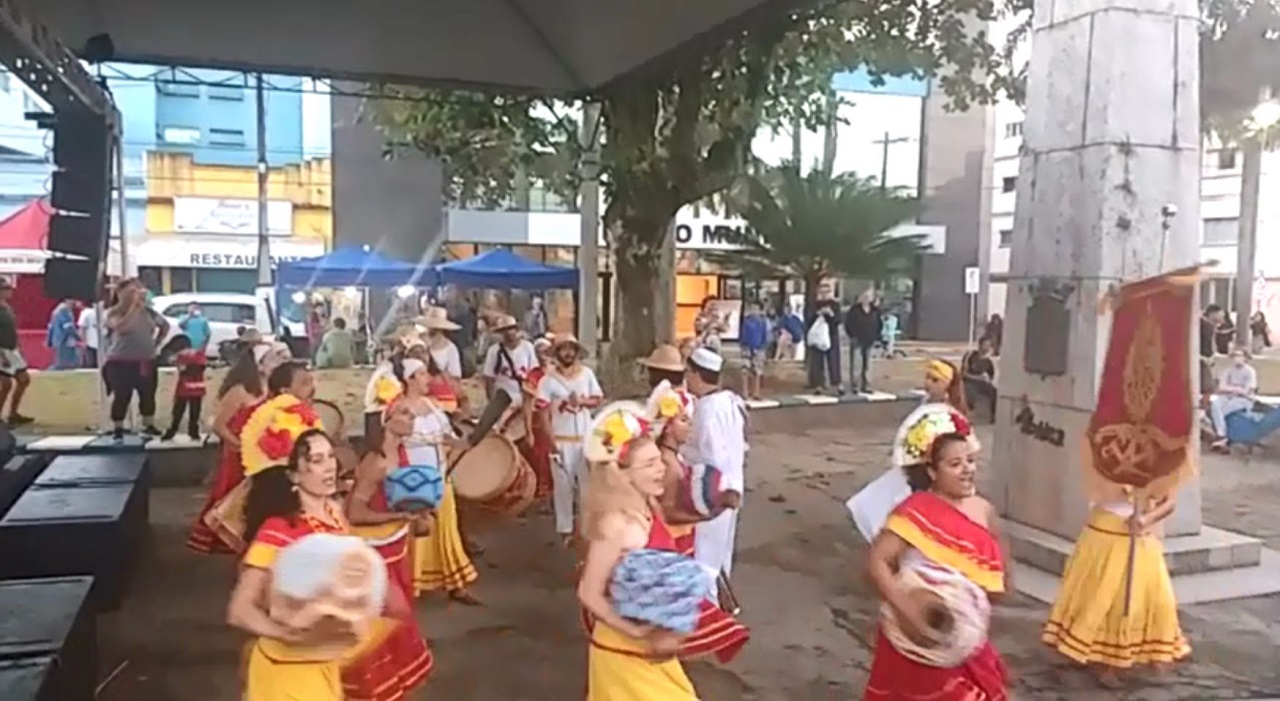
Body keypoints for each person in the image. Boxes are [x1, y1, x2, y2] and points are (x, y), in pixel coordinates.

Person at [864, 418, 1010, 700]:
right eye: (954, 464)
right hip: (916, 636)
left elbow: (1001, 580)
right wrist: (908, 610)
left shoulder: (985, 511)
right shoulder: (915, 510)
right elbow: (877, 561)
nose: (967, 469)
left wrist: (971, 608)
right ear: (932, 471)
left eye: (970, 460)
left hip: (966, 637)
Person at [229, 424, 371, 701]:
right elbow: (240, 610)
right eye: (316, 461)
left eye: (330, 456)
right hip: (285, 670)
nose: (329, 467)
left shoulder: (335, 514)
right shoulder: (279, 530)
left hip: (324, 663)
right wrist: (288, 635)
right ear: (294, 474)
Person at [577, 408, 698, 700]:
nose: (662, 470)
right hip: (623, 651)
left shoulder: (648, 508)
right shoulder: (615, 522)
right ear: (623, 475)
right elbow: (588, 592)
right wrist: (637, 633)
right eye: (649, 465)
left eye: (659, 460)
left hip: (653, 649)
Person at [646, 381, 749, 663]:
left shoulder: (672, 458)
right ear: (667, 426)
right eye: (682, 420)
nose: (689, 426)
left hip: (681, 541)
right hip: (672, 544)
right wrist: (710, 513)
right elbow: (666, 514)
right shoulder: (666, 464)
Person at [1043, 492, 1188, 687]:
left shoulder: (1159, 466)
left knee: (1157, 599)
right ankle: (1102, 658)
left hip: (1142, 537)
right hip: (1104, 536)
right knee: (1103, 598)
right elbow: (1098, 491)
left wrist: (1147, 518)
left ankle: (1151, 651)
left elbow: (1169, 502)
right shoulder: (1105, 466)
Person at [345, 398, 435, 701]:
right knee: (389, 619)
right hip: (374, 552)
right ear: (386, 420)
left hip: (395, 546)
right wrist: (398, 516)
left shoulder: (401, 454)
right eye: (404, 414)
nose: (412, 420)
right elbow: (354, 513)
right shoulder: (378, 462)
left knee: (396, 619)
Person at [186, 343, 285, 553]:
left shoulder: (274, 392)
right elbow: (219, 425)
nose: (278, 363)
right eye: (273, 359)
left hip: (261, 453)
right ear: (259, 365)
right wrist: (238, 445)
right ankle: (221, 537)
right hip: (236, 452)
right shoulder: (239, 391)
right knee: (228, 494)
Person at [398, 357, 479, 604]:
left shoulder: (432, 405)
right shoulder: (399, 409)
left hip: (439, 476)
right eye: (422, 374)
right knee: (418, 533)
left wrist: (460, 443)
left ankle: (456, 584)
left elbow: (445, 434)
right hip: (414, 481)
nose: (428, 379)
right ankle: (411, 589)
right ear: (409, 379)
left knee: (447, 529)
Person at [682, 348, 747, 597]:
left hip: (713, 493)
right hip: (733, 487)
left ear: (697, 375)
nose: (686, 379)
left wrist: (681, 451)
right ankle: (722, 605)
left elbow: (711, 458)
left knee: (705, 561)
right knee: (721, 558)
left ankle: (711, 619)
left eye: (688, 373)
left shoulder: (707, 410)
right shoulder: (729, 401)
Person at [536, 334, 604, 546]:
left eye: (570, 349)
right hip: (561, 439)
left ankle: (586, 528)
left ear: (576, 351)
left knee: (586, 485)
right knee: (563, 486)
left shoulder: (587, 375)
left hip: (584, 438)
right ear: (556, 353)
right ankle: (565, 530)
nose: (567, 353)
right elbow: (543, 414)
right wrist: (551, 443)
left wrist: (582, 401)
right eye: (563, 349)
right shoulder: (547, 381)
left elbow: (598, 398)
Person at [102, 278, 170, 439]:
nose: (138, 294)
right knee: (122, 394)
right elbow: (122, 328)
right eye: (132, 291)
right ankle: (118, 427)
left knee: (148, 394)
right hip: (121, 361)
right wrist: (133, 307)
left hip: (146, 360)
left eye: (139, 290)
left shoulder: (149, 312)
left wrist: (157, 342)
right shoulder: (114, 312)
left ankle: (148, 424)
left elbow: (164, 325)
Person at [483, 314, 538, 443]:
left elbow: (534, 374)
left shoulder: (527, 348)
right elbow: (489, 379)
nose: (508, 333)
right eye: (504, 331)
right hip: (503, 400)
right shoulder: (494, 351)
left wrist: (531, 398)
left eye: (511, 329)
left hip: (523, 399)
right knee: (504, 437)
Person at [1207, 345, 1259, 452]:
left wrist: (1230, 388)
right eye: (1235, 355)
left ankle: (1221, 436)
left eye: (1239, 355)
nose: (1237, 358)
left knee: (1220, 411)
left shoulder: (1250, 372)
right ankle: (1222, 436)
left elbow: (1246, 391)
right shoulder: (1228, 370)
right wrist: (1236, 389)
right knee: (1215, 404)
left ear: (1245, 357)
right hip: (1226, 397)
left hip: (1244, 400)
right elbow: (1221, 388)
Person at [523, 336, 556, 499]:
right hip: (539, 421)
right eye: (539, 352)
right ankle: (543, 490)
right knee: (540, 457)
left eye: (546, 351)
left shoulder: (559, 373)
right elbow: (527, 404)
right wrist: (528, 429)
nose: (543, 355)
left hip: (559, 420)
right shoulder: (533, 376)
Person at [162, 337, 207, 442]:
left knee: (178, 410)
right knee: (195, 410)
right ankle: (194, 432)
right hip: (198, 386)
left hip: (184, 386)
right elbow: (203, 365)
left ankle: (172, 430)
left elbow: (182, 369)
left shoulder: (181, 355)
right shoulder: (198, 353)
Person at [0, 277, 31, 425]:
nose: (9, 292)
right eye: (6, 289)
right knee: (6, 384)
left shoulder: (6, 307)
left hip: (12, 349)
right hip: (2, 350)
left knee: (23, 380)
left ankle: (13, 413)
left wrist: (18, 347)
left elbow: (12, 329)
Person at [807, 284, 843, 392]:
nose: (824, 295)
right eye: (822, 292)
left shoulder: (835, 305)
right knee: (817, 361)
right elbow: (808, 319)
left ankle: (836, 382)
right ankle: (818, 383)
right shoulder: (813, 305)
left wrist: (831, 314)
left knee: (834, 360)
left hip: (832, 336)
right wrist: (818, 314)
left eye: (826, 292)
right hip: (817, 336)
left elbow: (838, 320)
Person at [845, 290, 881, 393]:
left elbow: (879, 323)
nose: (866, 298)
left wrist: (876, 336)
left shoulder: (875, 310)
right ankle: (855, 386)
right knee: (856, 364)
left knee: (868, 364)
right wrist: (852, 336)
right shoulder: (854, 310)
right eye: (864, 296)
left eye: (868, 296)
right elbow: (848, 324)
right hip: (857, 340)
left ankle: (867, 385)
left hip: (869, 340)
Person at [961, 337, 998, 420]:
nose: (987, 347)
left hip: (982, 384)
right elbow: (963, 374)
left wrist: (986, 379)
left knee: (995, 392)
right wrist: (978, 377)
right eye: (985, 345)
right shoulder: (970, 356)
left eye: (989, 345)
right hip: (969, 382)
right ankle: (968, 414)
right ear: (980, 345)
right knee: (969, 392)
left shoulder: (988, 362)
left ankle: (993, 416)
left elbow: (990, 378)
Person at [738, 302, 768, 401]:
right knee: (745, 370)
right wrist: (742, 345)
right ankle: (745, 392)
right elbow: (742, 334)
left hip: (758, 348)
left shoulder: (762, 322)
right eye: (752, 309)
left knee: (757, 371)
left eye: (756, 309)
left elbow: (764, 335)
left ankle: (756, 392)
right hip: (746, 348)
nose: (754, 311)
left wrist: (763, 347)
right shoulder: (746, 321)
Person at [47, 298, 81, 370]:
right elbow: (68, 327)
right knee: (65, 364)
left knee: (61, 362)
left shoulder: (56, 310)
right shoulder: (64, 310)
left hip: (58, 340)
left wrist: (49, 340)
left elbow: (51, 326)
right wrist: (78, 337)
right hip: (64, 340)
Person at [78, 302, 100, 368]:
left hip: (91, 343)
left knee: (91, 363)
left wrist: (83, 340)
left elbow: (82, 328)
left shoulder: (86, 314)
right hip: (97, 343)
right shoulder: (104, 313)